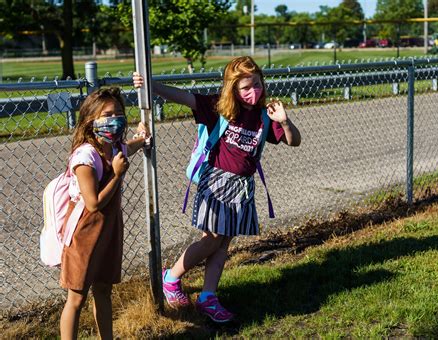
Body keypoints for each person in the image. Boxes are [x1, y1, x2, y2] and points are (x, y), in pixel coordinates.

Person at [133, 56, 301, 323]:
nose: (252, 91)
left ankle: (208, 296)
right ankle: (171, 278)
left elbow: (294, 142)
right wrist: (152, 85)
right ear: (232, 88)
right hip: (216, 183)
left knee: (223, 243)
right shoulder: (218, 107)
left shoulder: (263, 115)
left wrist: (285, 121)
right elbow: (185, 97)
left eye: (256, 84)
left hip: (243, 187)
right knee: (211, 238)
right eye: (245, 87)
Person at [59, 87, 150, 339]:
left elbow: (127, 147)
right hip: (84, 233)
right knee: (76, 297)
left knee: (103, 290)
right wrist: (118, 175)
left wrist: (141, 139)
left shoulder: (113, 144)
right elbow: (93, 204)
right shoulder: (85, 157)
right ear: (91, 121)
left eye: (119, 113)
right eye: (107, 114)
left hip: (109, 228)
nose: (115, 119)